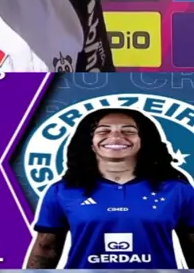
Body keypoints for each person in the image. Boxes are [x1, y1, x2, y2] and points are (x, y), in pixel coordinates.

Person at [26, 108, 194, 269]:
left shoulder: (177, 190)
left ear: (144, 139)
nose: (116, 137)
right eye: (103, 131)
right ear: (89, 141)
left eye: (128, 131)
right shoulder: (63, 191)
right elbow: (46, 249)